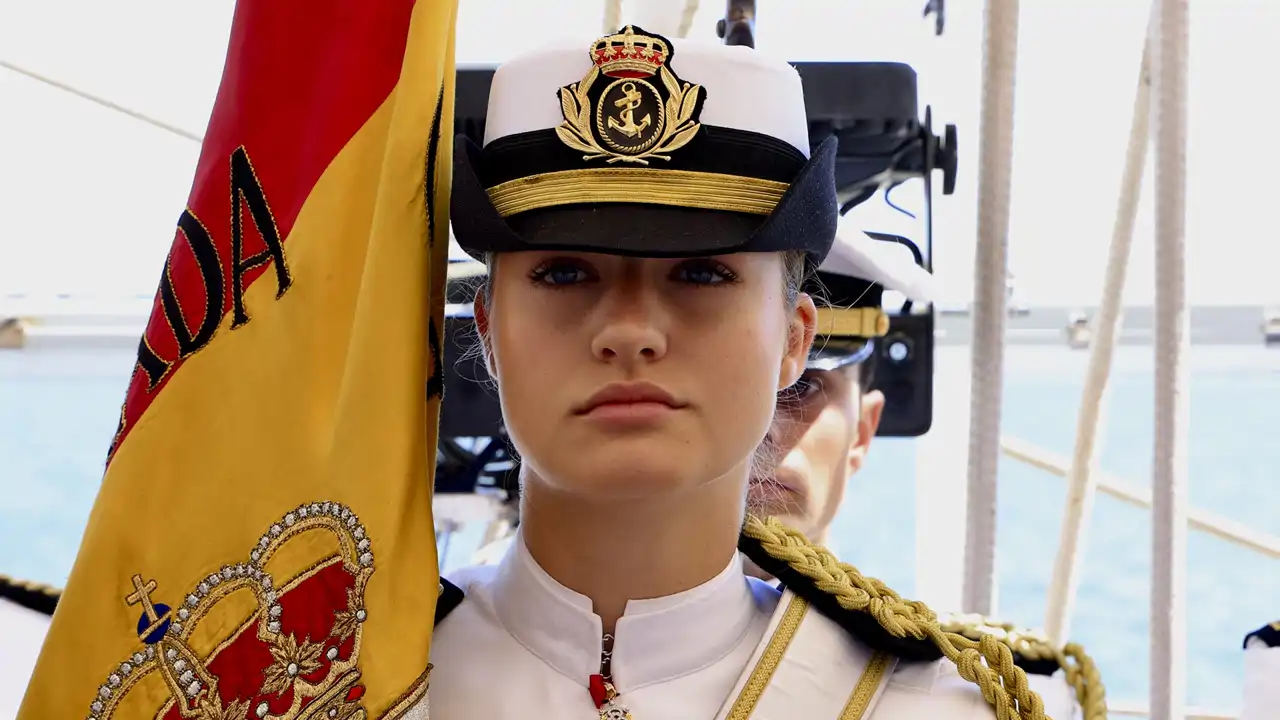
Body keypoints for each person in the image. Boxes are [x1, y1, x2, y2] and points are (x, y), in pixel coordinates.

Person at [411, 25, 1067, 720]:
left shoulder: (937, 709)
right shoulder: (348, 687)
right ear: (488, 330)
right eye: (565, 272)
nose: (630, 330)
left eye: (702, 273)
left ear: (794, 339)